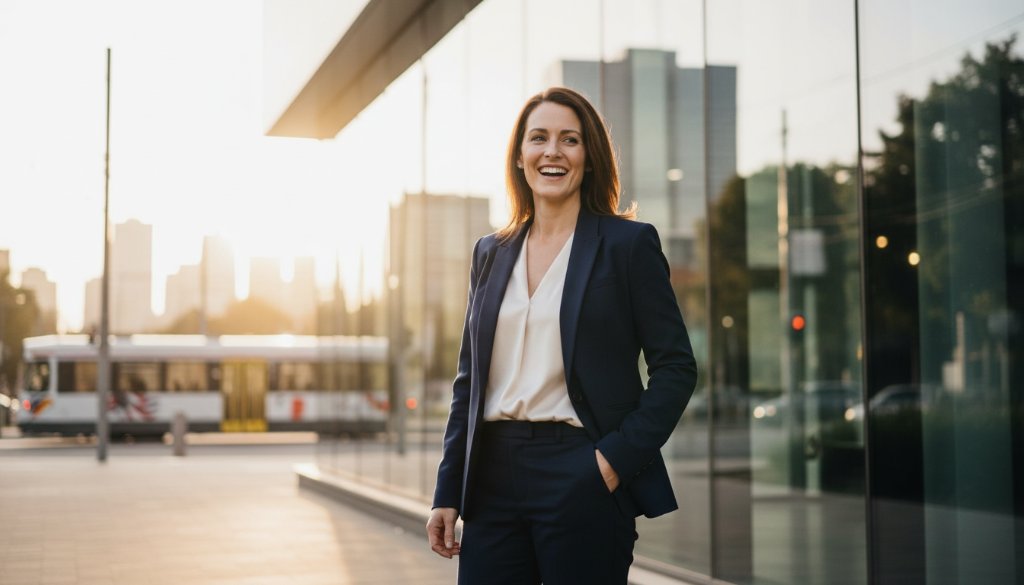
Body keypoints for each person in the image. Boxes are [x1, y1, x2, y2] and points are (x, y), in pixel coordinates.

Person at [425, 86, 697, 584]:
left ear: (589, 158)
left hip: (581, 469)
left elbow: (676, 367)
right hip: (491, 478)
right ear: (520, 157)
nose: (552, 151)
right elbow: (470, 382)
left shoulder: (627, 245)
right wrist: (448, 491)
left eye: (569, 140)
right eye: (539, 138)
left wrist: (612, 462)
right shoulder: (490, 251)